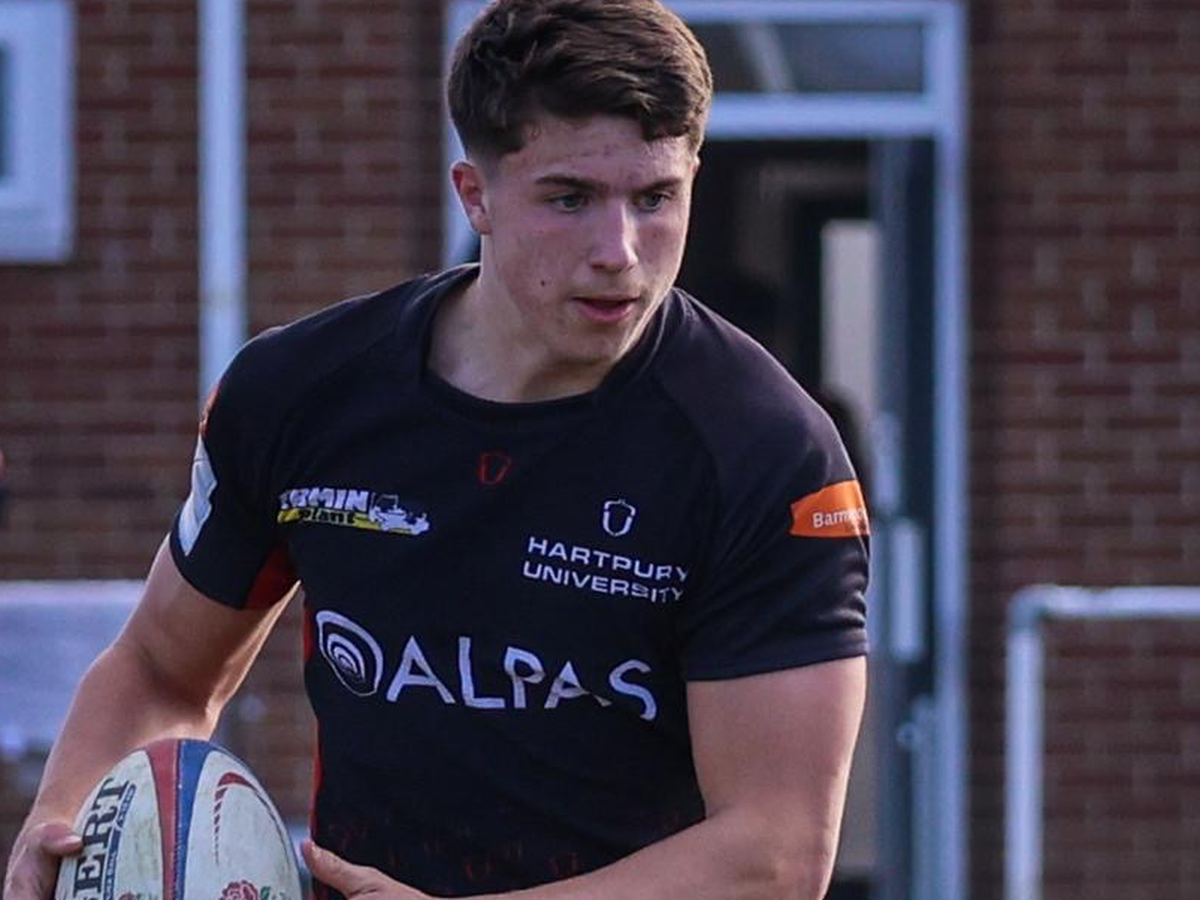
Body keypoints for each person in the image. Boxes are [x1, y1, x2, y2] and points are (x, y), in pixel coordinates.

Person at [3, 1, 869, 899]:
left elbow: (774, 854)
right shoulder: (299, 392)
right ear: (474, 195)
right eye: (569, 198)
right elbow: (162, 670)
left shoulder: (767, 455)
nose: (619, 251)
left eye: (654, 198)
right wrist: (61, 820)